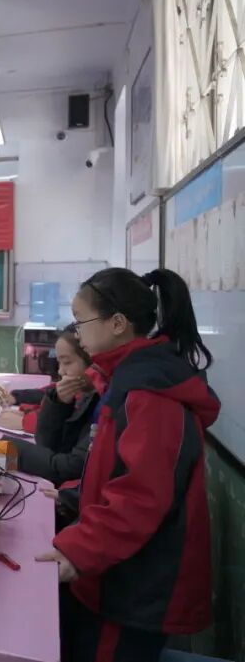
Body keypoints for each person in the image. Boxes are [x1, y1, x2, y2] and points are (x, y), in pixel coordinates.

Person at [37, 268, 220, 662]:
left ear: (117, 323)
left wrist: (78, 550)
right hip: (116, 568)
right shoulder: (123, 378)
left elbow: (141, 497)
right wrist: (76, 496)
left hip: (134, 585)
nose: (77, 333)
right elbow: (118, 468)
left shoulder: (149, 395)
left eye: (81, 321)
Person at [4, 324, 98, 487]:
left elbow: (71, 467)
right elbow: (47, 445)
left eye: (67, 362)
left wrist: (9, 448)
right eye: (59, 363)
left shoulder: (102, 402)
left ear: (92, 362)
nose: (60, 371)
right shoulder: (83, 395)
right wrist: (57, 403)